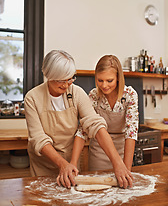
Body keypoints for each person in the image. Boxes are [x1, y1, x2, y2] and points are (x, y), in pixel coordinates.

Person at [24, 50, 133, 190]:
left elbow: (95, 124)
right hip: (43, 165)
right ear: (48, 76)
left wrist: (118, 162)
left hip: (71, 165)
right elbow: (38, 138)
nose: (66, 85)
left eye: (70, 79)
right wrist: (62, 164)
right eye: (60, 81)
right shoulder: (32, 98)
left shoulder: (77, 93)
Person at [72, 54, 138, 180]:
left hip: (122, 151)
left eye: (109, 80)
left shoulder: (129, 95)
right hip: (98, 153)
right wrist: (73, 163)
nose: (104, 85)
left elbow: (131, 132)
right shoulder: (94, 95)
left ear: (118, 78)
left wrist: (126, 168)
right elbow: (82, 130)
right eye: (100, 80)